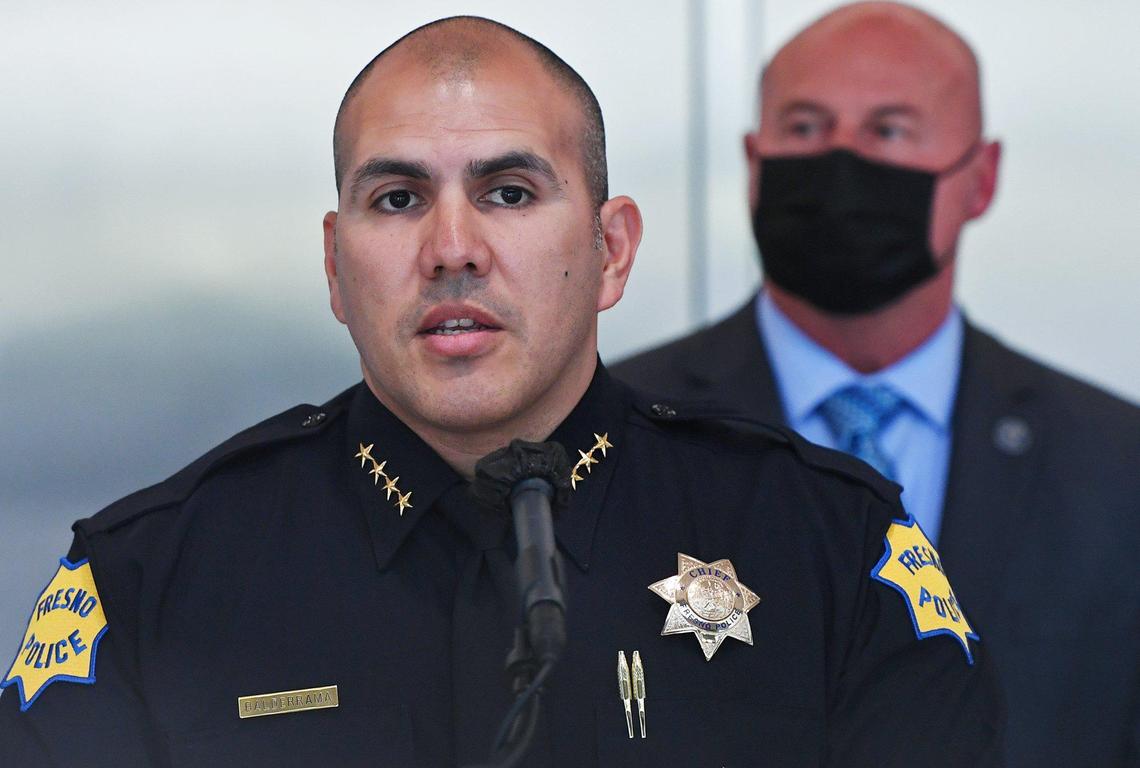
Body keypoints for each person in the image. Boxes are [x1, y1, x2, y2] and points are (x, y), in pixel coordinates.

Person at [0, 16, 1003, 767]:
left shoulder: (829, 545)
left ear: (610, 251)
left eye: (509, 193)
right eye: (397, 199)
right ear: (336, 264)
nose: (452, 251)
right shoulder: (151, 580)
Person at [612, 3, 1140, 766]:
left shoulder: (1117, 472)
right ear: (753, 161)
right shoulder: (616, 434)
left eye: (888, 130)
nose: (840, 163)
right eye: (804, 128)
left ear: (981, 179)